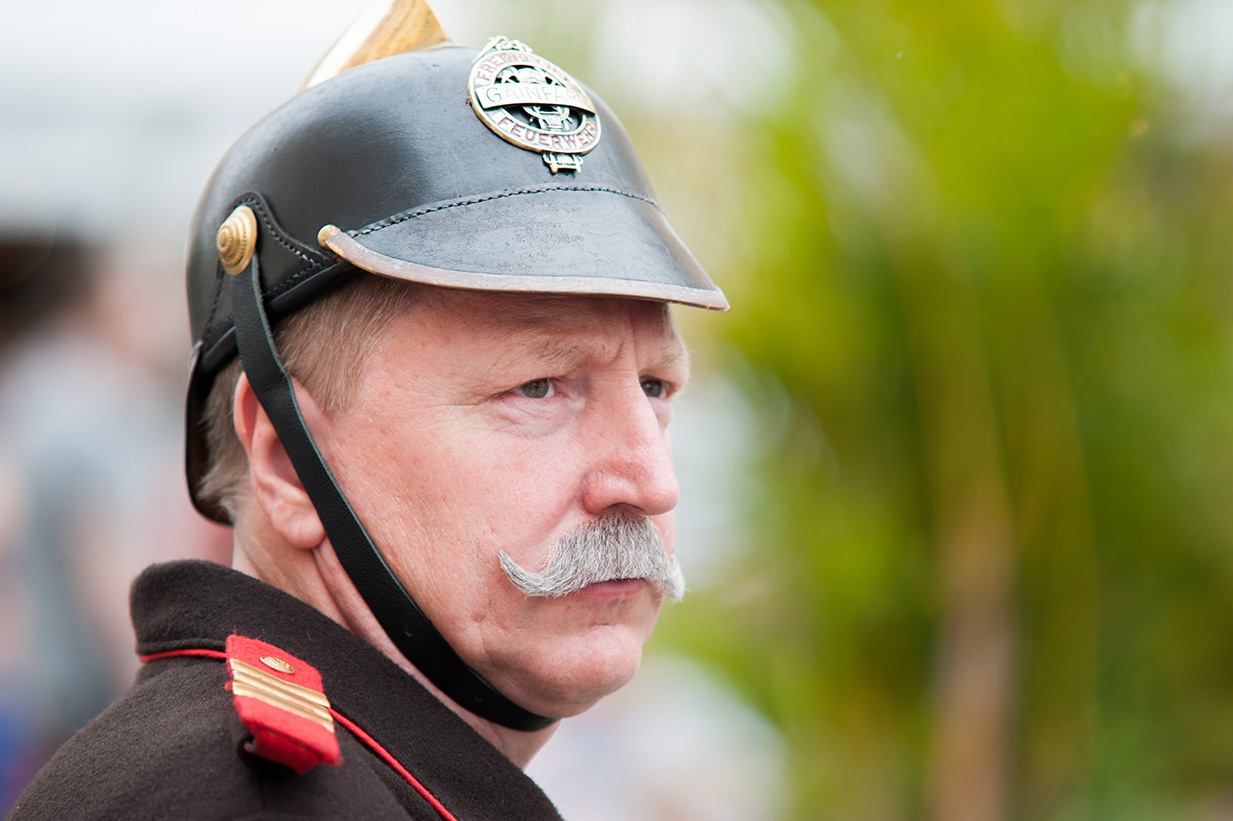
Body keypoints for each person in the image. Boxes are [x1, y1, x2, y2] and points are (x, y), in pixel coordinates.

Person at [7, 2, 727, 818]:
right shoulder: (247, 799)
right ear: (287, 461)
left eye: (656, 387)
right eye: (538, 387)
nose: (651, 481)